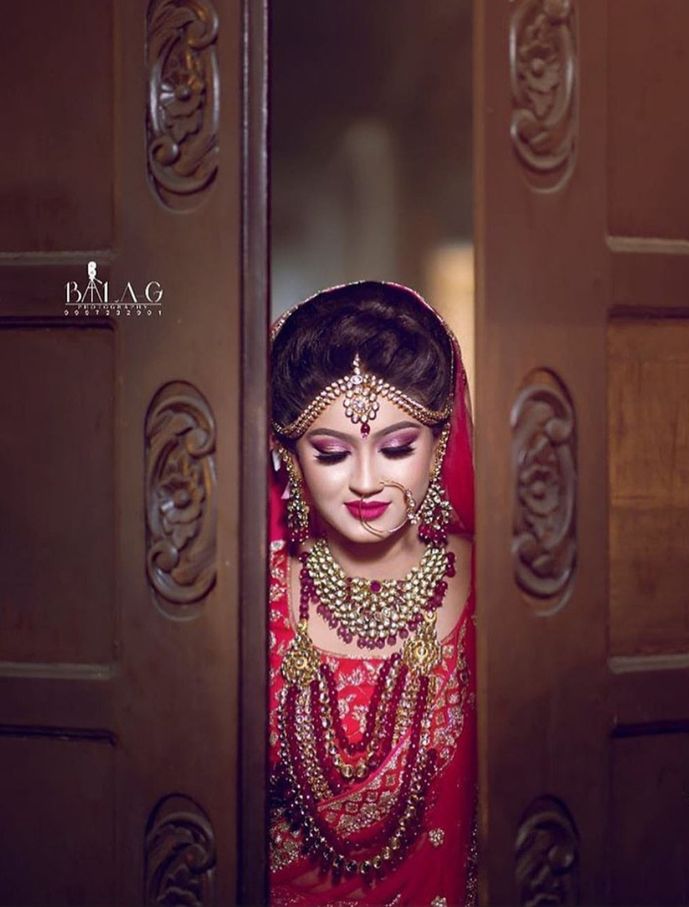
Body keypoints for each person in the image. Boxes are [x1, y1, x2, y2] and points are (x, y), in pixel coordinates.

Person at [268, 281, 476, 906]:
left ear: (440, 443)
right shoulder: (249, 594)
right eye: (331, 453)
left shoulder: (500, 591)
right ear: (287, 455)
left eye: (397, 447)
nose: (365, 481)